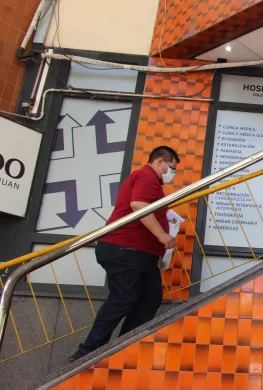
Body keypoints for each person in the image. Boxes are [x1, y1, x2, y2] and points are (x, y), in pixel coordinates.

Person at [69, 146, 180, 362]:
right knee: (124, 298)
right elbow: (138, 205)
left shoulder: (151, 182)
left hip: (140, 254)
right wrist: (161, 235)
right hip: (125, 249)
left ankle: (123, 347)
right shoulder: (147, 176)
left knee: (149, 299)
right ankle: (87, 353)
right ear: (160, 162)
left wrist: (157, 248)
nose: (172, 173)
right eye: (172, 167)